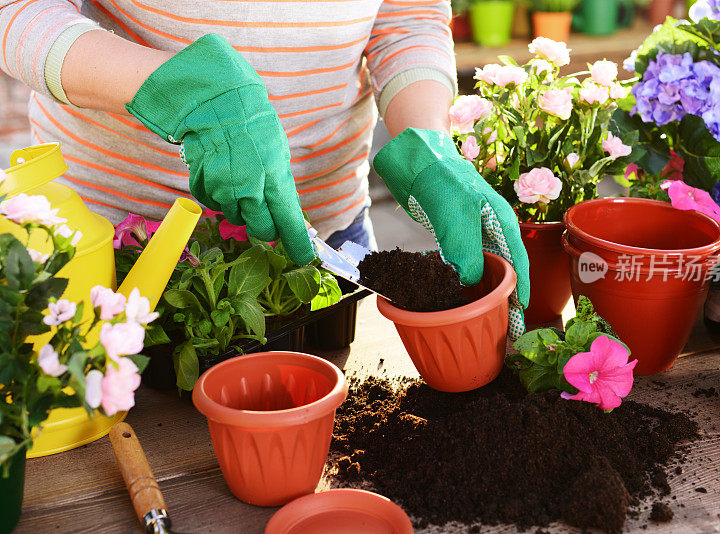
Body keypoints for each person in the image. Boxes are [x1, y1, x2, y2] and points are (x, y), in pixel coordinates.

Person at [0, 0, 530, 324]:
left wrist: (428, 140)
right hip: (113, 250)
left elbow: (405, 15)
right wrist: (172, 88)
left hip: (327, 243)